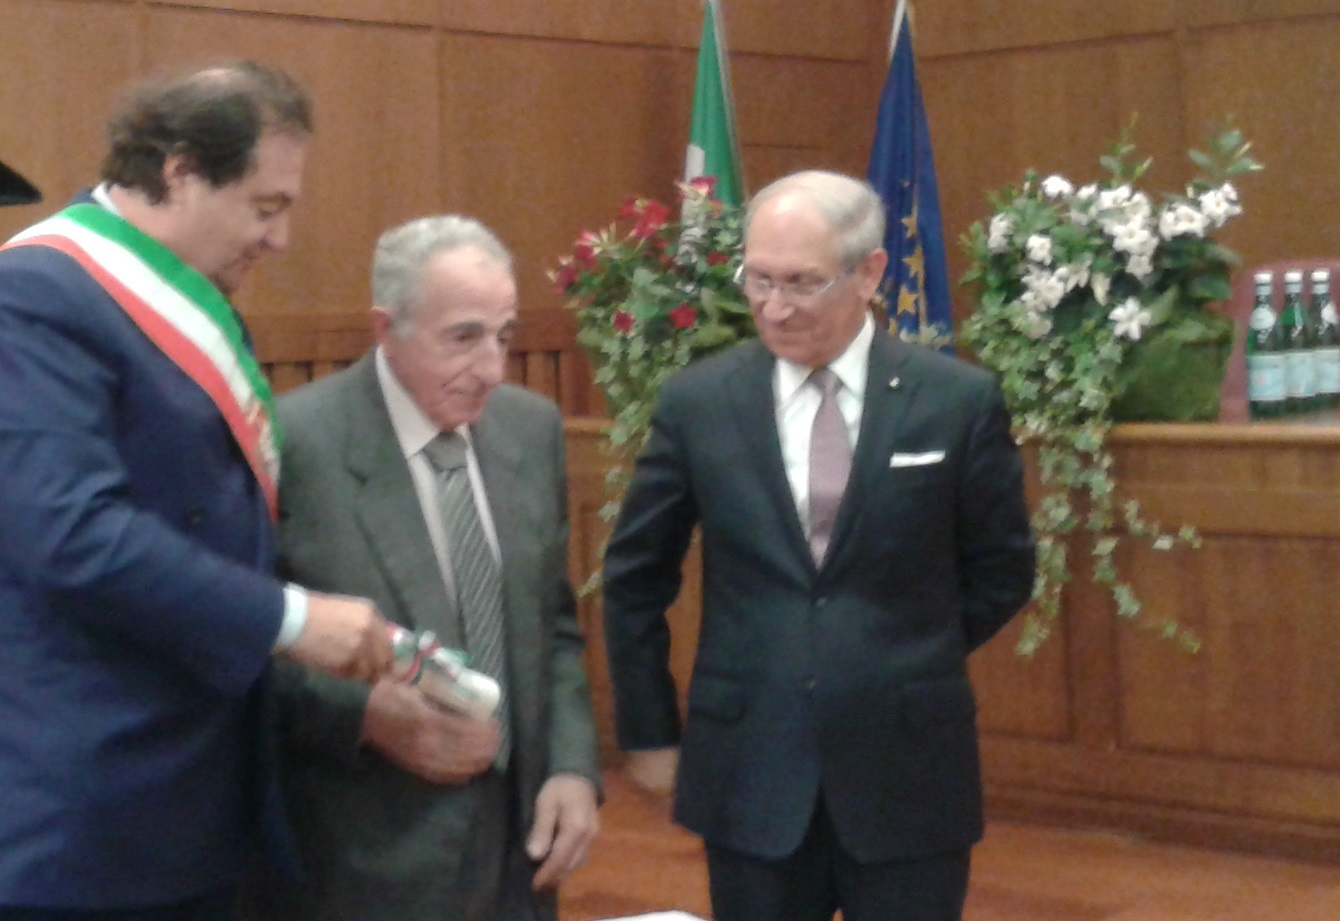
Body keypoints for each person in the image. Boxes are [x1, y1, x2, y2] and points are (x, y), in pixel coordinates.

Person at [0, 61, 393, 920]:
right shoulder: (32, 295)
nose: (280, 238)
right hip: (94, 811)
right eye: (265, 205)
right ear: (180, 170)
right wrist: (293, 620)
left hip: (198, 787)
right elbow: (72, 534)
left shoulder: (196, 300)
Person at [602, 170, 1036, 921]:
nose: (774, 307)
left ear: (869, 273)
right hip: (750, 765)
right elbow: (635, 576)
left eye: (801, 282)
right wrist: (648, 732)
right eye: (758, 279)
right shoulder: (699, 403)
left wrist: (901, 647)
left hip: (908, 770)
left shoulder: (953, 402)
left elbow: (1003, 567)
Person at [250, 215, 600, 921]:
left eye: (504, 336)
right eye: (463, 337)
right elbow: (241, 643)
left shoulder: (529, 428)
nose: (492, 368)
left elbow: (553, 626)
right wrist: (365, 718)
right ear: (386, 328)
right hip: (363, 858)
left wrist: (571, 766)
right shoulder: (292, 443)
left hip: (520, 852)